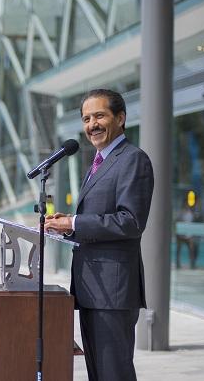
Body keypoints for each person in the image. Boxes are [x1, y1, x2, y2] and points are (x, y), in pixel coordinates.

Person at [44, 89, 154, 381]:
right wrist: (66, 226)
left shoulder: (133, 159)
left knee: (113, 374)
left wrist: (75, 221)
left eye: (99, 115)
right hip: (91, 289)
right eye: (86, 118)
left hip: (112, 293)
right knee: (98, 374)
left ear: (120, 118)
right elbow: (96, 222)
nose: (92, 124)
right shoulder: (98, 163)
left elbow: (130, 221)